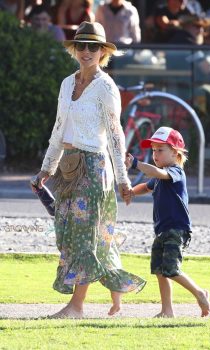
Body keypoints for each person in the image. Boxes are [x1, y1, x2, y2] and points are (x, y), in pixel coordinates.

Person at [32, 21, 146, 319]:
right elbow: (59, 128)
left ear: (103, 52)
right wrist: (47, 168)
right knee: (72, 235)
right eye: (81, 46)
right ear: (74, 49)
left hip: (95, 169)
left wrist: (123, 179)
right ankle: (118, 294)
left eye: (93, 47)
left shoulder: (106, 87)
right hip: (68, 169)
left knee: (83, 236)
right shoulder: (67, 83)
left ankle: (77, 307)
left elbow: (115, 135)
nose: (86, 52)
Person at [125, 126, 210, 318]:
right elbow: (146, 187)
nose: (155, 154)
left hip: (177, 229)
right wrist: (131, 192)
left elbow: (156, 174)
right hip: (162, 230)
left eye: (160, 150)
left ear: (175, 152)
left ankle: (199, 293)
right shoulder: (160, 175)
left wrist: (136, 163)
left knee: (171, 269)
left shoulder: (175, 172)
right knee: (160, 271)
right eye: (153, 150)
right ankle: (167, 311)